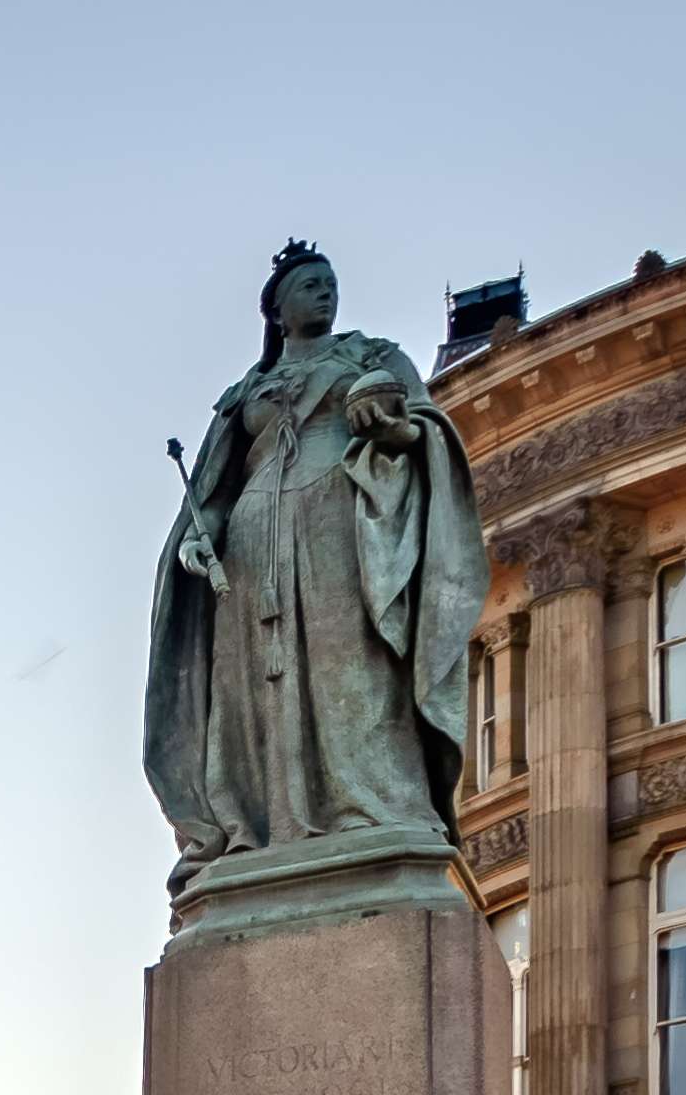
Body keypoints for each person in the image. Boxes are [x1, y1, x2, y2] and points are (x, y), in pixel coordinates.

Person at [140, 246, 490, 880]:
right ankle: (263, 823)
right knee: (254, 686)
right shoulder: (245, 392)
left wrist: (388, 426)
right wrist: (201, 534)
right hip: (251, 540)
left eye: (331, 284)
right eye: (309, 286)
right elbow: (217, 490)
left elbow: (420, 429)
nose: (326, 294)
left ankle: (371, 806)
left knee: (348, 663)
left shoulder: (372, 358)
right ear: (277, 307)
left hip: (340, 515)